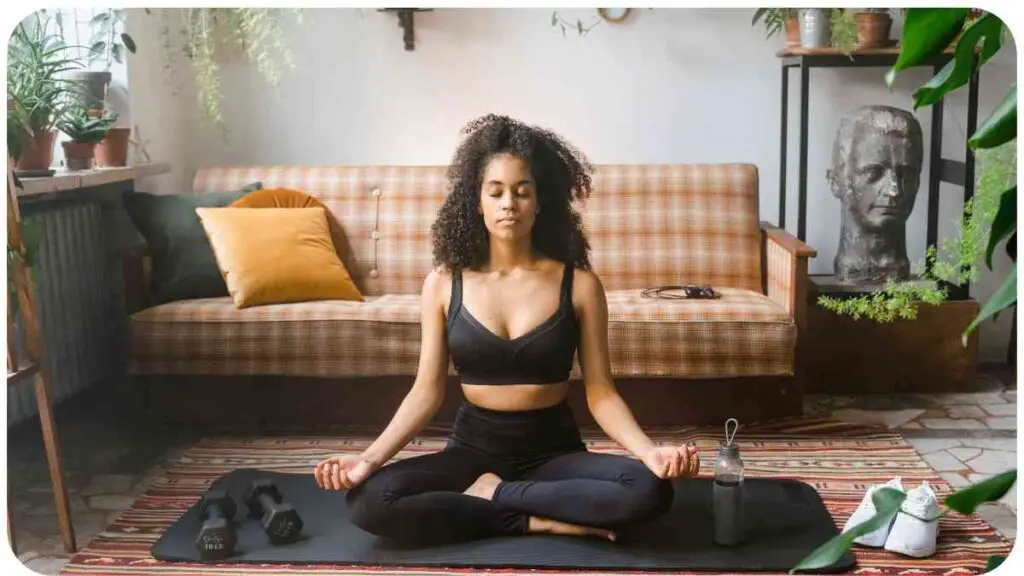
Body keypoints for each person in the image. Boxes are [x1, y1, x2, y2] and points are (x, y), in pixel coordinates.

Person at [313, 114, 700, 547]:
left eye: (522, 191)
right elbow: (426, 390)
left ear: (540, 202)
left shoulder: (580, 284)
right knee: (369, 500)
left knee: (649, 491)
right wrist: (368, 459)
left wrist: (650, 453)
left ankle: (494, 496)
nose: (508, 204)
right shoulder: (444, 283)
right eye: (495, 192)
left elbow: (601, 393)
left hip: (554, 451)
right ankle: (537, 519)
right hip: (472, 450)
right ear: (476, 201)